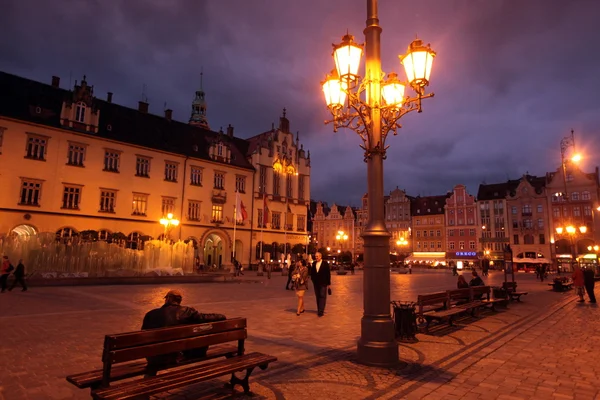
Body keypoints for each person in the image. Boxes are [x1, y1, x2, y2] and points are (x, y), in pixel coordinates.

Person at [142, 290, 227, 370]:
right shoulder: (186, 311)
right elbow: (205, 317)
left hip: (156, 357)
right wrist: (221, 316)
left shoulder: (150, 314)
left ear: (168, 299)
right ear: (179, 301)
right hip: (179, 354)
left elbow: (143, 335)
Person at [310, 252, 331, 317]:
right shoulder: (314, 263)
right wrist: (312, 279)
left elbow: (328, 274)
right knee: (317, 296)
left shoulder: (325, 264)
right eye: (315, 256)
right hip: (316, 283)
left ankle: (321, 311)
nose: (316, 257)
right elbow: (312, 272)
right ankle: (319, 309)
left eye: (317, 256)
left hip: (323, 283)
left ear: (320, 256)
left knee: (322, 296)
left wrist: (329, 283)